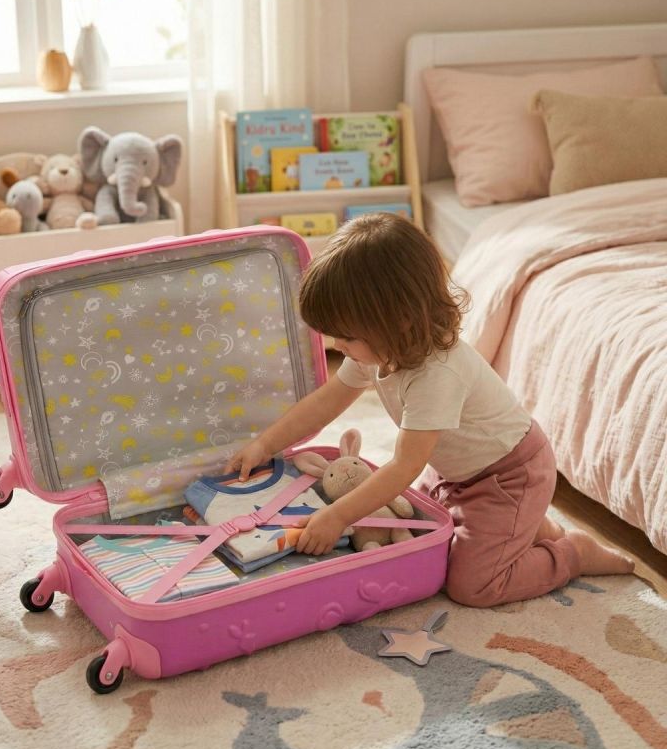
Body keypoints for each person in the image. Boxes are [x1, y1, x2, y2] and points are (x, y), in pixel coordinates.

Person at [226, 214, 634, 607]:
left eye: (346, 337)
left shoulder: (437, 373)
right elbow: (327, 400)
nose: (338, 347)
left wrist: (335, 516)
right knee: (415, 533)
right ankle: (529, 528)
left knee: (472, 585)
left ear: (400, 321)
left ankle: (572, 554)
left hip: (510, 475)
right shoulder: (380, 347)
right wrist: (265, 444)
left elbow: (404, 465)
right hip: (454, 469)